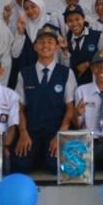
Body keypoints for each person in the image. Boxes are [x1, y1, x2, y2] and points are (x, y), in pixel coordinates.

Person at [13, 25, 77, 174]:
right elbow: (19, 108)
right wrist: (23, 133)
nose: (45, 45)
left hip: (55, 131)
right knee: (19, 166)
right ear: (35, 47)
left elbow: (70, 108)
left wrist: (60, 135)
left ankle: (43, 158)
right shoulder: (24, 73)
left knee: (57, 167)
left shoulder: (66, 73)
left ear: (56, 47)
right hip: (31, 131)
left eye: (50, 42)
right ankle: (38, 156)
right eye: (41, 42)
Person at [10, 0, 54, 73]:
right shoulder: (23, 27)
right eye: (26, 8)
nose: (30, 11)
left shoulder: (51, 27)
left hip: (48, 73)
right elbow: (15, 54)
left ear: (40, 6)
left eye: (33, 7)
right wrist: (20, 33)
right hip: (27, 74)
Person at [61, 4, 102, 85]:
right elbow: (65, 66)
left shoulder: (98, 36)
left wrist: (89, 63)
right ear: (66, 23)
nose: (74, 23)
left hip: (95, 83)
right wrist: (64, 50)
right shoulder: (65, 40)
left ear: (83, 19)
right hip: (74, 84)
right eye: (70, 21)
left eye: (77, 19)